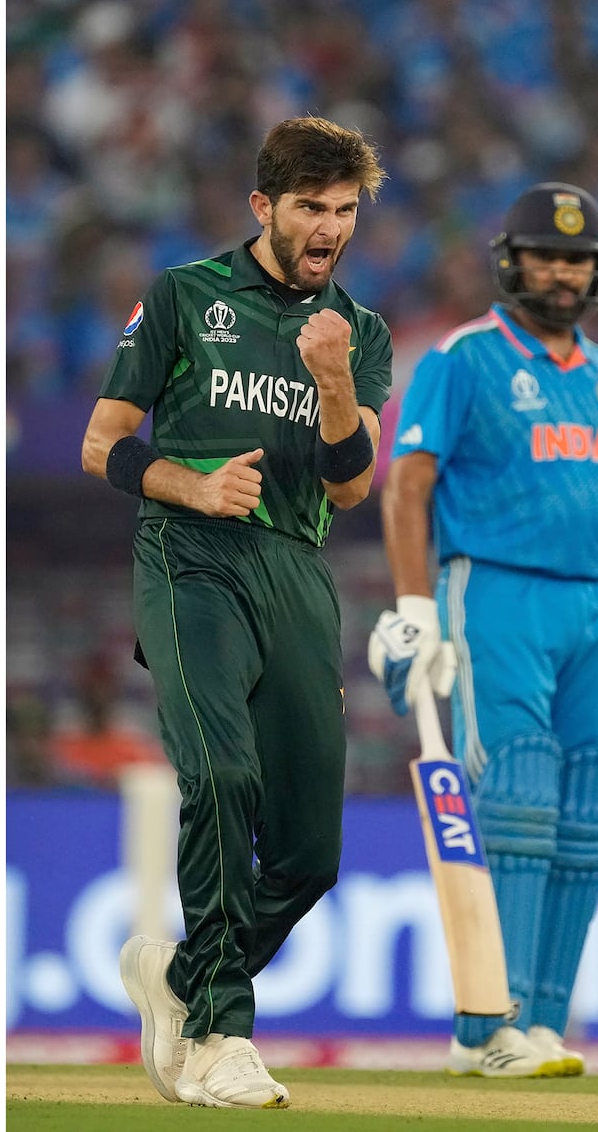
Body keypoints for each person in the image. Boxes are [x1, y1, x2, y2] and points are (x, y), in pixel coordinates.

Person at [370, 181, 598, 1077]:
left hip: (596, 603)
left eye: (577, 259)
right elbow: (409, 483)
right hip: (494, 590)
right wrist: (416, 605)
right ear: (511, 261)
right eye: (546, 254)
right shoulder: (465, 359)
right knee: (521, 794)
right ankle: (483, 1027)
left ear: (597, 272)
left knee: (584, 811)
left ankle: (540, 1023)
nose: (562, 271)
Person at [81, 116, 391, 1109]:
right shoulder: (183, 296)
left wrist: (336, 380)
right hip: (189, 555)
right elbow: (103, 444)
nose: (328, 228)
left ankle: (174, 981)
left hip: (297, 569)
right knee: (218, 771)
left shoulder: (359, 332)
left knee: (310, 853)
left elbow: (350, 489)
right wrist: (186, 484)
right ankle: (219, 1031)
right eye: (310, 207)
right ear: (263, 206)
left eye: (344, 211)